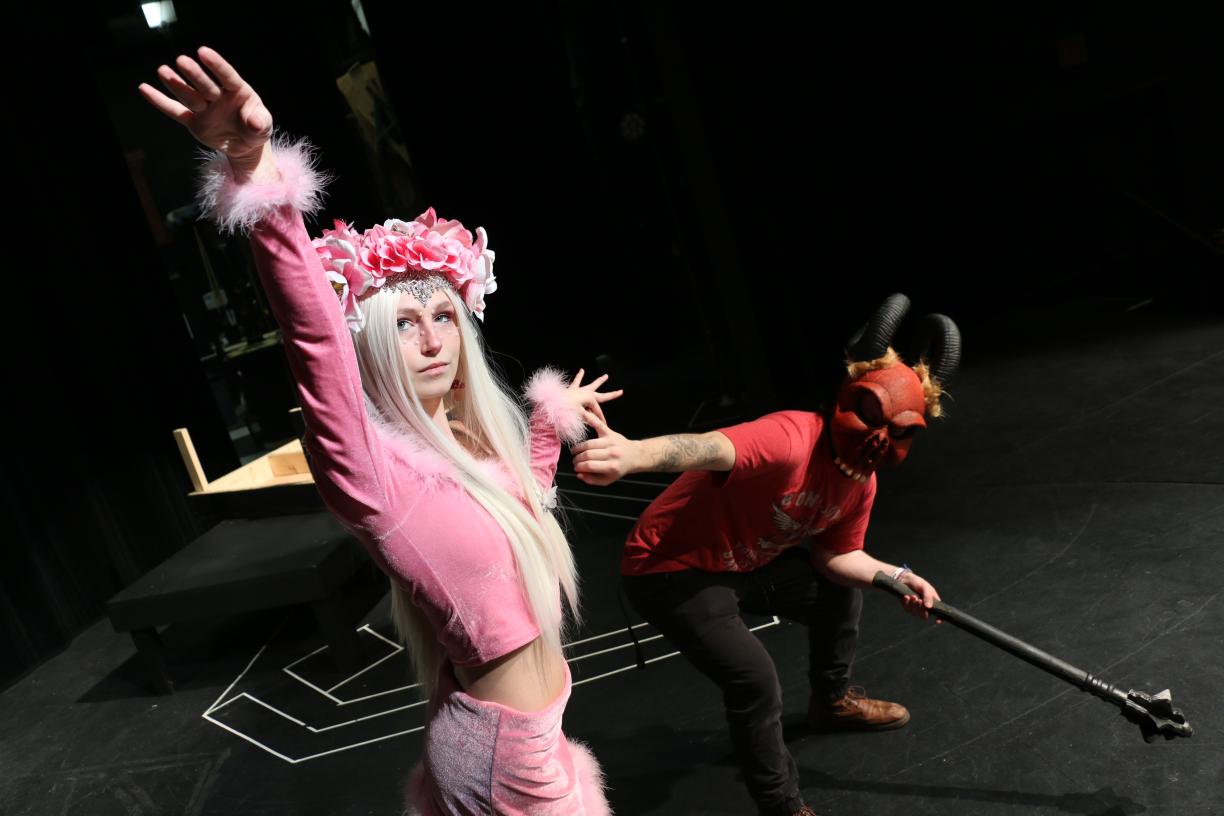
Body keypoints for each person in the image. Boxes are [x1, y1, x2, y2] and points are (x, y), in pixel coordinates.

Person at [140, 46, 617, 815]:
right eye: (402, 323)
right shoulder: (377, 478)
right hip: (505, 766)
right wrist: (256, 170)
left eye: (442, 317)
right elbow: (316, 340)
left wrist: (547, 420)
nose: (432, 338)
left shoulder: (466, 451)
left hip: (534, 733)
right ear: (371, 343)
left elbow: (523, 498)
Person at [571, 294, 960, 816]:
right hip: (671, 571)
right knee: (755, 680)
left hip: (745, 565)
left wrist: (898, 578)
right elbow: (711, 447)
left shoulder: (859, 484)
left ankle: (831, 701)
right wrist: (634, 454)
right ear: (849, 395)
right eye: (871, 416)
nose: (877, 439)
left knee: (839, 593)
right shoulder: (791, 439)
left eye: (898, 432)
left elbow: (838, 557)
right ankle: (782, 807)